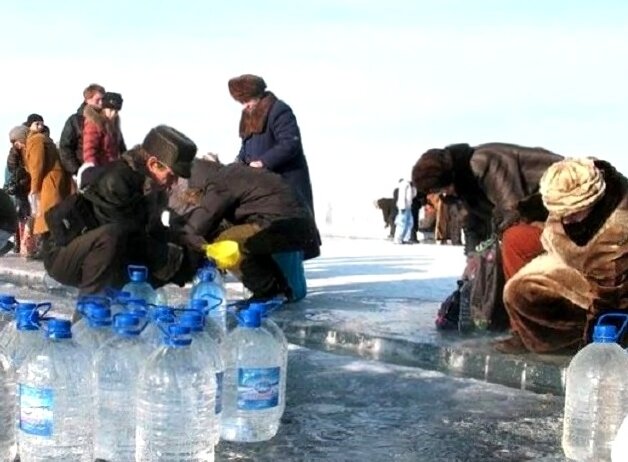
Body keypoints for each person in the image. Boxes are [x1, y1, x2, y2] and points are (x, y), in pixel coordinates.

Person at [42, 125, 197, 295]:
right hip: (67, 254)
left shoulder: (155, 188)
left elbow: (154, 231)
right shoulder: (117, 180)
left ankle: (131, 312)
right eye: (171, 175)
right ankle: (90, 314)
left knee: (156, 262)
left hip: (107, 254)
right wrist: (171, 258)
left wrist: (186, 244)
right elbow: (128, 237)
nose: (174, 183)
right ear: (153, 164)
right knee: (114, 238)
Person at [498, 158, 628, 354]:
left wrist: (595, 346)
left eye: (573, 213)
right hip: (573, 258)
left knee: (522, 291)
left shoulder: (615, 231)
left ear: (594, 200)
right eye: (560, 213)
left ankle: (569, 340)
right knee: (516, 251)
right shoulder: (577, 178)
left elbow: (612, 298)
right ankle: (531, 335)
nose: (565, 219)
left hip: (610, 281)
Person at [172, 157, 320, 302]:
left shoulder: (220, 183)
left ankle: (268, 291)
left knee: (226, 244)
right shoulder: (231, 174)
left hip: (283, 225)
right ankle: (280, 288)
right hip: (293, 225)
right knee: (237, 237)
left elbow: (200, 224)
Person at [412, 142, 563, 262]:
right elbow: (472, 226)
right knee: (485, 265)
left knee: (513, 241)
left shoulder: (484, 161)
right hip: (537, 213)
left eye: (440, 190)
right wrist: (473, 258)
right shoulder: (460, 190)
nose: (442, 195)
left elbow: (513, 210)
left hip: (562, 200)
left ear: (449, 179)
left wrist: (488, 249)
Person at [227, 74, 315, 216]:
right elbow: (246, 149)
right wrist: (235, 165)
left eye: (247, 100)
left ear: (258, 95)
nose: (245, 105)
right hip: (262, 185)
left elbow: (290, 143)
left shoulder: (279, 110)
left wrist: (263, 162)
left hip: (286, 184)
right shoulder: (248, 115)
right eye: (241, 102)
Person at [23, 113, 72, 253]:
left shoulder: (36, 139)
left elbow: (37, 165)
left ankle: (50, 251)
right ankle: (53, 249)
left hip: (47, 182)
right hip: (55, 180)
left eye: (41, 123)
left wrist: (34, 188)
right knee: (53, 217)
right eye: (36, 123)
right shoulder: (46, 139)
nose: (40, 126)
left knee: (46, 218)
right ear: (30, 125)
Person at [58, 83, 114, 176]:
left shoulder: (109, 121)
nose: (101, 102)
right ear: (87, 100)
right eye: (98, 99)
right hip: (86, 172)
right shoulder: (75, 120)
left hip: (107, 173)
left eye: (103, 99)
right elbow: (65, 147)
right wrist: (77, 171)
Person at [78, 91, 125, 188]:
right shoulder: (94, 123)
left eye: (116, 111)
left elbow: (119, 148)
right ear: (104, 108)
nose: (113, 114)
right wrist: (92, 167)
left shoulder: (114, 125)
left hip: (112, 168)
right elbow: (90, 147)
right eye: (110, 110)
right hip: (98, 169)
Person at [5, 126, 31, 255]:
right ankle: (20, 244)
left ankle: (25, 244)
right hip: (20, 189)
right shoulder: (14, 153)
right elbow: (12, 170)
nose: (16, 144)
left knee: (26, 215)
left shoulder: (28, 149)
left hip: (26, 187)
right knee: (21, 215)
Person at [393, 178, 417, 244]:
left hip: (408, 207)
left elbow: (413, 196)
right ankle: (398, 239)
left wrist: (413, 187)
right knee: (402, 223)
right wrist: (402, 206)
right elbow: (402, 196)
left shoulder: (410, 185)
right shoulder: (404, 184)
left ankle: (405, 238)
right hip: (403, 207)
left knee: (409, 223)